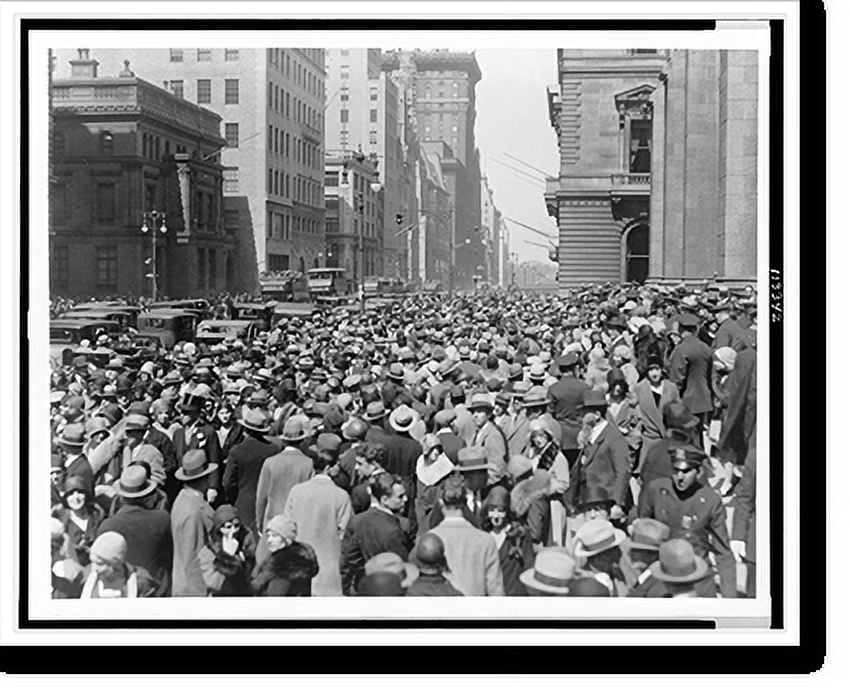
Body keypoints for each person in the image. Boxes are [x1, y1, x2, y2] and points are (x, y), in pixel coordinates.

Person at [638, 446, 735, 598]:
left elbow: (722, 551)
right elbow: (642, 533)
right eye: (676, 471)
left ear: (699, 472)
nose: (680, 477)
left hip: (696, 577)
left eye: (686, 471)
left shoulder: (709, 500)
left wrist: (731, 598)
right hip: (663, 574)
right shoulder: (657, 489)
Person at [283, 434, 353, 596]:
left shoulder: (297, 491)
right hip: (330, 568)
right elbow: (345, 534)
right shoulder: (341, 496)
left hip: (299, 565)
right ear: (329, 468)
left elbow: (288, 526)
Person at [567, 390, 631, 545]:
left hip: (604, 502)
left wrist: (618, 503)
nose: (581, 416)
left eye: (585, 412)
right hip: (587, 499)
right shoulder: (588, 435)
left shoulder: (613, 437)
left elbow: (623, 471)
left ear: (596, 414)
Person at [98, 465, 172, 592]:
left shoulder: (108, 526)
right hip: (158, 590)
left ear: (121, 495)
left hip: (125, 591)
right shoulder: (162, 520)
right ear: (148, 494)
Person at [429, 477, 504, 596]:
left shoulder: (430, 540)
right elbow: (496, 589)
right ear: (465, 502)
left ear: (440, 502)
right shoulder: (485, 540)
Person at [340, 472, 411, 595]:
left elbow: (349, 557)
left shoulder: (360, 521)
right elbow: (403, 565)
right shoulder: (394, 531)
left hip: (365, 585)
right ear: (385, 500)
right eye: (400, 496)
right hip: (390, 587)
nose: (405, 499)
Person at [254, 416, 314, 541]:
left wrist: (259, 524)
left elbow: (261, 498)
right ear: (302, 440)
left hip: (272, 522)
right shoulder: (308, 464)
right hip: (296, 525)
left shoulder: (270, 463)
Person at [223, 410, 282, 535]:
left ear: (245, 430)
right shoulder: (273, 450)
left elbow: (228, 482)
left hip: (244, 503)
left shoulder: (237, 451)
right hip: (268, 503)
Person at [170, 449, 217, 597]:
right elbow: (193, 557)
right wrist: (200, 595)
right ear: (205, 477)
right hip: (192, 590)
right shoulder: (193, 511)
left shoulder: (183, 498)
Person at [481, 485, 535, 596]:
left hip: (514, 594)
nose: (496, 516)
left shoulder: (521, 534)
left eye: (500, 511)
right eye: (492, 510)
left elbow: (529, 566)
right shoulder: (483, 535)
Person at [668, 313, 714, 438]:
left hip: (686, 401)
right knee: (697, 436)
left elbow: (676, 379)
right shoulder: (705, 348)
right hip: (703, 399)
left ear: (680, 329)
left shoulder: (682, 349)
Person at [250, 515, 319, 596]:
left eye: (274, 536)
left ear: (286, 539)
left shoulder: (284, 569)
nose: (269, 540)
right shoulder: (277, 558)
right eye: (268, 536)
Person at [197, 504, 257, 596]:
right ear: (219, 528)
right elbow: (214, 583)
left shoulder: (246, 541)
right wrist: (229, 557)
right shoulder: (209, 550)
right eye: (228, 527)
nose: (233, 530)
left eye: (236, 525)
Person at [79, 531, 160, 599]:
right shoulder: (85, 576)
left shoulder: (141, 583)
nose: (94, 569)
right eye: (92, 562)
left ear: (115, 564)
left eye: (99, 564)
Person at [51, 475, 105, 567]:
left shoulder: (98, 516)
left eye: (80, 492)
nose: (76, 497)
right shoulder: (60, 522)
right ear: (65, 499)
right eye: (71, 493)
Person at [547, 352, 591, 466]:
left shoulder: (554, 389)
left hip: (561, 434)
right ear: (575, 368)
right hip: (580, 432)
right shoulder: (584, 387)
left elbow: (550, 413)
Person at [572, 518, 628, 596]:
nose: (619, 553)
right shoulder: (587, 587)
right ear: (598, 558)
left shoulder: (618, 574)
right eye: (613, 551)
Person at [413, 434, 456, 534]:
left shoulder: (446, 467)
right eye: (432, 449)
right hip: (422, 512)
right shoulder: (420, 464)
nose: (436, 452)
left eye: (438, 449)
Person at [625, 518, 671, 598]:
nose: (630, 554)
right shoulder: (647, 580)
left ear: (654, 555)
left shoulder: (660, 590)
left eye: (636, 550)